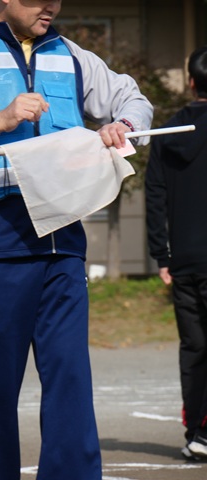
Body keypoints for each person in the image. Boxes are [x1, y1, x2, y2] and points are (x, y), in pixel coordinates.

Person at [0, 1, 154, 478]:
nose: (51, 6)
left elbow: (132, 99)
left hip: (63, 246)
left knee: (71, 385)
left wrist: (124, 126)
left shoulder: (71, 54)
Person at [145, 45, 207, 462]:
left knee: (195, 347)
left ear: (190, 82)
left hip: (183, 258)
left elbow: (155, 194)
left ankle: (197, 433)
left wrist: (161, 255)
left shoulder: (168, 131)